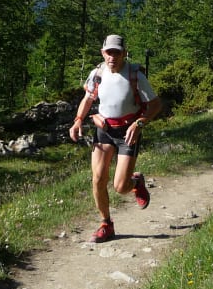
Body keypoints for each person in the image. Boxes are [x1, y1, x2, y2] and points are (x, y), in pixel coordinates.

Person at [69, 34, 162, 243]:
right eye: (109, 52)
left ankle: (136, 181)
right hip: (104, 130)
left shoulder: (135, 75)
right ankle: (106, 224)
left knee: (120, 187)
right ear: (103, 53)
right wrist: (78, 121)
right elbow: (88, 98)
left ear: (124, 54)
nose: (112, 56)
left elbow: (156, 104)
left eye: (117, 52)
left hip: (129, 131)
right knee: (98, 179)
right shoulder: (97, 74)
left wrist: (139, 124)